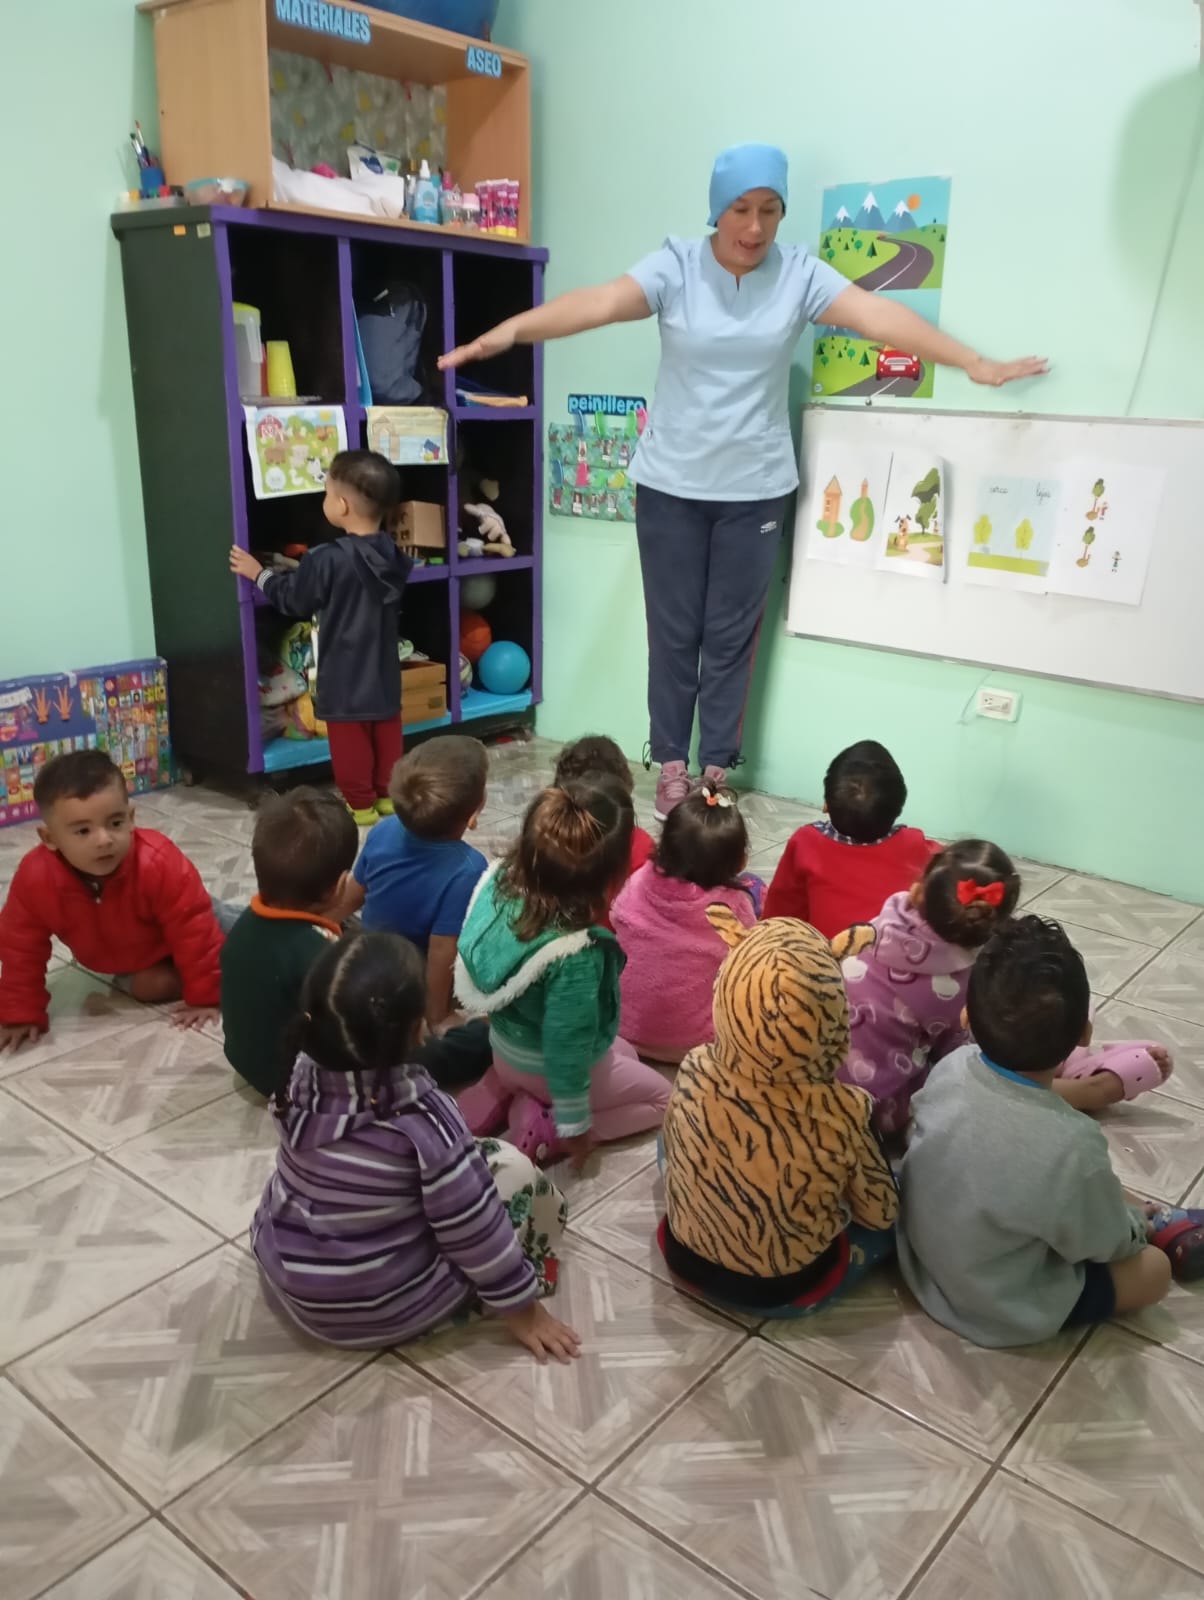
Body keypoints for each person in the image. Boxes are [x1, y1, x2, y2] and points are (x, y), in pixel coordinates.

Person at [439, 145, 1046, 819]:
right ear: (717, 209)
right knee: (674, 635)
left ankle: (716, 770)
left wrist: (974, 362)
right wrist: (509, 333)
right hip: (669, 487)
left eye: (770, 210)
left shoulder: (800, 275)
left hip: (756, 489)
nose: (755, 227)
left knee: (731, 640)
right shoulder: (676, 265)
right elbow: (601, 302)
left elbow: (879, 317)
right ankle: (672, 764)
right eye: (741, 209)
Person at [252, 932, 580, 1362]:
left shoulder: (296, 1075)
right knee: (513, 1171)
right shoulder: (424, 1120)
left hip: (294, 1275)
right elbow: (474, 1228)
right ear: (415, 1030)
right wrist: (522, 1309)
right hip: (377, 1309)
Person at [897, 916, 1173, 1348]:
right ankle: (1152, 1217)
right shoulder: (1074, 1145)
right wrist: (1137, 1230)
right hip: (997, 1303)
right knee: (1155, 1271)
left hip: (919, 1260)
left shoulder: (950, 1067)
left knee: (1087, 1187)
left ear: (967, 1018)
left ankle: (1132, 1208)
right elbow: (1103, 1246)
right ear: (1084, 1034)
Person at [835, 839, 1173, 1135]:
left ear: (918, 891)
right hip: (883, 1109)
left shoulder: (881, 923)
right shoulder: (953, 986)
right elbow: (978, 1055)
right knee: (997, 1073)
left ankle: (1064, 1054)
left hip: (826, 1082)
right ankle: (1087, 1090)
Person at [658, 908, 898, 1317]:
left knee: (668, 1139)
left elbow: (674, 1139)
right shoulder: (845, 1111)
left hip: (682, 1257)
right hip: (780, 1288)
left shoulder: (694, 1065)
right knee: (884, 1229)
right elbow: (880, 1213)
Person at [222, 785, 493, 1097]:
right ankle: (485, 1036)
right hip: (297, 1083)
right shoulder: (325, 961)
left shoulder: (243, 925)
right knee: (435, 1057)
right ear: (340, 885)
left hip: (248, 1061)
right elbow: (377, 1039)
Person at [454, 781, 672, 1167]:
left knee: (626, 1051)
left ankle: (501, 1087)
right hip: (544, 1068)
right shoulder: (575, 955)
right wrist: (574, 1123)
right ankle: (547, 1127)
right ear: (612, 877)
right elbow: (565, 1045)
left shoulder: (502, 885)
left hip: (504, 1046)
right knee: (664, 1099)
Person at [230, 450, 413, 826]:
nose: (324, 500)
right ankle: (386, 798)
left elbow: (293, 598)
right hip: (383, 669)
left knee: (350, 742)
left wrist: (258, 573)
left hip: (343, 672)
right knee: (386, 734)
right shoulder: (393, 553)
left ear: (342, 505)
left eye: (327, 493)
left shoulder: (326, 558)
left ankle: (360, 806)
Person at [0, 750, 222, 1048]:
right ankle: (225, 971)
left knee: (248, 935)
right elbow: (20, 948)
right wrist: (20, 1014)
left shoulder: (157, 862)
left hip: (197, 921)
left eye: (115, 823)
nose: (104, 840)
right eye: (83, 831)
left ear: (131, 818)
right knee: (150, 987)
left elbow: (195, 929)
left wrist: (206, 997)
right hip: (134, 958)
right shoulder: (36, 879)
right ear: (49, 839)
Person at [341, 737, 489, 1026]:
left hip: (369, 955)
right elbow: (442, 949)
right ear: (472, 816)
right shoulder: (468, 869)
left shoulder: (384, 829)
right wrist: (437, 1015)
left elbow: (354, 893)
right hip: (412, 977)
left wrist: (325, 927)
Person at [611, 782, 757, 1063]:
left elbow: (616, 915)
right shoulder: (735, 905)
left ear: (664, 847)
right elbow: (751, 957)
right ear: (740, 861)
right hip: (695, 1043)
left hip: (623, 1028)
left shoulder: (640, 879)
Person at [764, 740, 939, 937]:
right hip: (899, 953)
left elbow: (778, 916)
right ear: (898, 808)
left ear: (826, 805)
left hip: (827, 954)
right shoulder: (916, 843)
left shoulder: (806, 842)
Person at [552, 735, 655, 928]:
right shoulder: (640, 843)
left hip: (559, 933)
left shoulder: (548, 832)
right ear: (624, 788)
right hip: (618, 939)